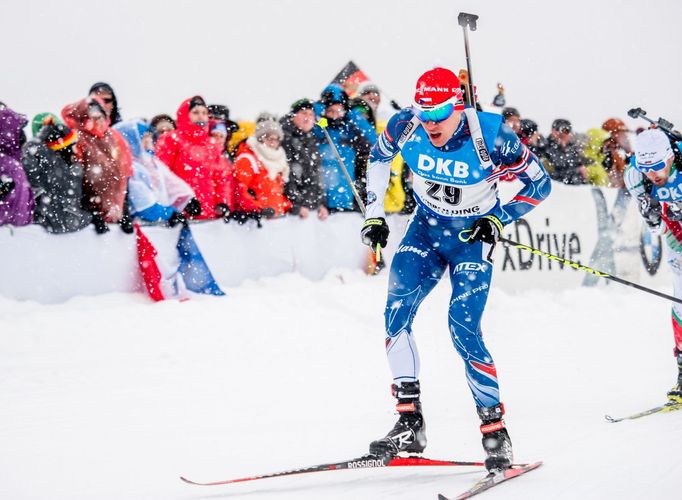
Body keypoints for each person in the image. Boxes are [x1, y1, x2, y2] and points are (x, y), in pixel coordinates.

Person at [360, 67, 551, 472]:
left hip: (470, 240)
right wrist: (374, 215)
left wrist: (500, 216)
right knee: (395, 315)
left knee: (462, 328)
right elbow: (377, 159)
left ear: (458, 106)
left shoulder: (491, 136)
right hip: (425, 231)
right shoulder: (405, 125)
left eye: (438, 115)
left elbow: (539, 184)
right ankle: (409, 421)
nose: (429, 124)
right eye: (423, 114)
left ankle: (494, 430)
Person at [624, 128, 682, 403]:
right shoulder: (635, 176)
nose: (653, 174)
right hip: (677, 235)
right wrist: (652, 217)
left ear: (670, 157)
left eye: (658, 166)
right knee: (680, 300)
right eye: (646, 167)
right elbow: (657, 230)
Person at [61, 95, 133, 233]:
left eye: (100, 117)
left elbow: (124, 175)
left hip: (114, 214)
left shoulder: (113, 138)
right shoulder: (77, 138)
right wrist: (89, 211)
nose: (97, 121)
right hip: (89, 215)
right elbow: (75, 178)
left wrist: (124, 210)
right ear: (82, 118)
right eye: (91, 117)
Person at [155, 95, 233, 222]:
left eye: (204, 113)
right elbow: (161, 175)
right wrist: (182, 200)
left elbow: (222, 177)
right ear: (185, 115)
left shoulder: (212, 144)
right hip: (180, 215)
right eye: (195, 112)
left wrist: (223, 203)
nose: (201, 116)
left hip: (208, 216)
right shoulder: (171, 139)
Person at [114, 119, 196, 226]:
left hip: (156, 224)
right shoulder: (131, 167)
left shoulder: (149, 160)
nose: (149, 141)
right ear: (132, 141)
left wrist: (187, 200)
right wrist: (169, 214)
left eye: (149, 137)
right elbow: (143, 204)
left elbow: (170, 181)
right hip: (142, 226)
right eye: (143, 138)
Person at [22, 115, 92, 233]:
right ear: (61, 148)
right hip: (52, 230)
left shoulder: (68, 166)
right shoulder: (51, 168)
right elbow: (60, 221)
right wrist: (88, 217)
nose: (74, 150)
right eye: (70, 146)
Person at [314, 86, 371, 212]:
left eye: (339, 111)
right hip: (322, 202)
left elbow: (372, 141)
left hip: (346, 199)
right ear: (324, 111)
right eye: (331, 111)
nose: (335, 116)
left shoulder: (351, 129)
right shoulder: (319, 129)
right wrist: (317, 111)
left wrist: (354, 115)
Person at [233, 118, 291, 219]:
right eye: (269, 139)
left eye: (276, 139)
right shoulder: (248, 159)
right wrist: (258, 209)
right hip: (257, 221)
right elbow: (239, 190)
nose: (273, 143)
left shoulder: (277, 161)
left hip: (274, 220)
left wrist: (288, 205)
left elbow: (275, 192)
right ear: (260, 139)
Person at [280, 99, 328, 220]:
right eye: (303, 113)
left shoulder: (311, 138)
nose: (308, 117)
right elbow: (286, 176)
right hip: (290, 211)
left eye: (311, 114)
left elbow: (316, 175)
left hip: (306, 210)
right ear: (293, 116)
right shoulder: (284, 137)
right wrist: (297, 204)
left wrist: (321, 203)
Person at [0, 106, 35, 226]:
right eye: (19, 130)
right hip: (16, 237)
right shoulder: (10, 165)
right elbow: (22, 211)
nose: (23, 135)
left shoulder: (11, 162)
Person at [543, 118, 588, 185]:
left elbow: (579, 162)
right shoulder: (545, 146)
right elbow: (556, 168)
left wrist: (582, 169)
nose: (564, 135)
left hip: (574, 184)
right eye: (560, 132)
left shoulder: (573, 146)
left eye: (567, 132)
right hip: (556, 184)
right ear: (553, 131)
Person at [601, 118, 632, 189]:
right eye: (622, 133)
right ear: (613, 135)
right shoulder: (609, 152)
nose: (626, 137)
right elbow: (618, 179)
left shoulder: (623, 151)